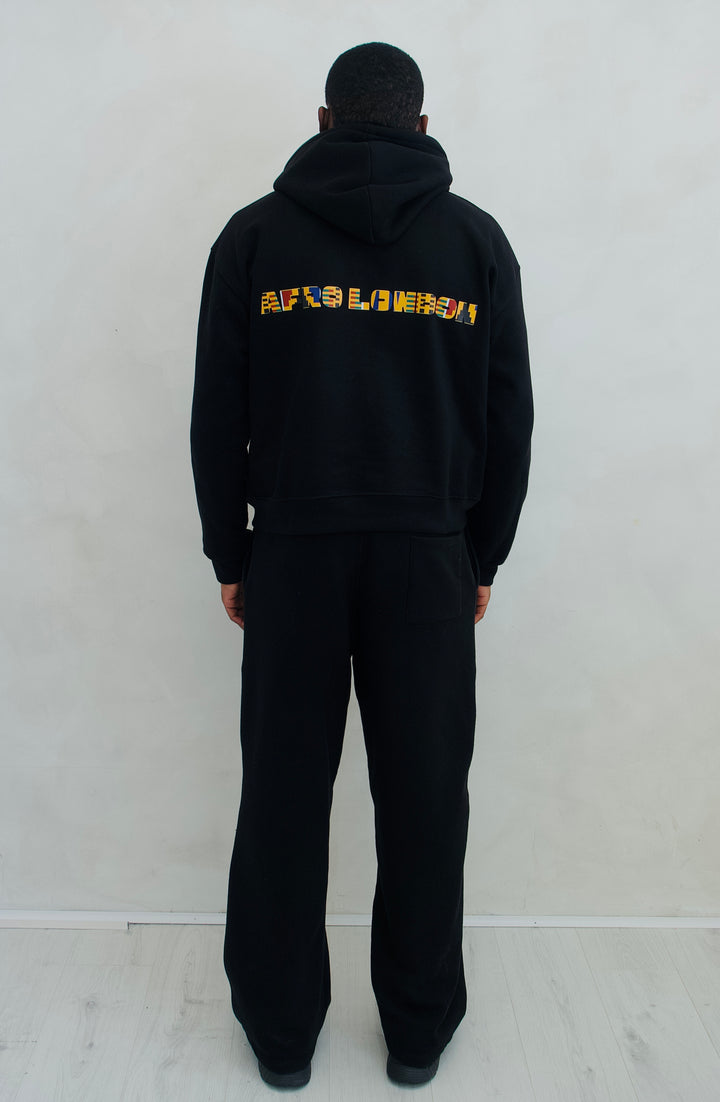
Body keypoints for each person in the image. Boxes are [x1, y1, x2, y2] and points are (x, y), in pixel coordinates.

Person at [190, 41, 533, 1092]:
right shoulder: (473, 241)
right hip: (428, 558)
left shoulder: (254, 237)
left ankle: (281, 1036)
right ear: (421, 127)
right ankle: (418, 1033)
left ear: (325, 121)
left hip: (294, 554)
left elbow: (216, 412)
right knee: (425, 800)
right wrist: (480, 553)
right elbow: (509, 415)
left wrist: (232, 549)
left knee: (282, 797)